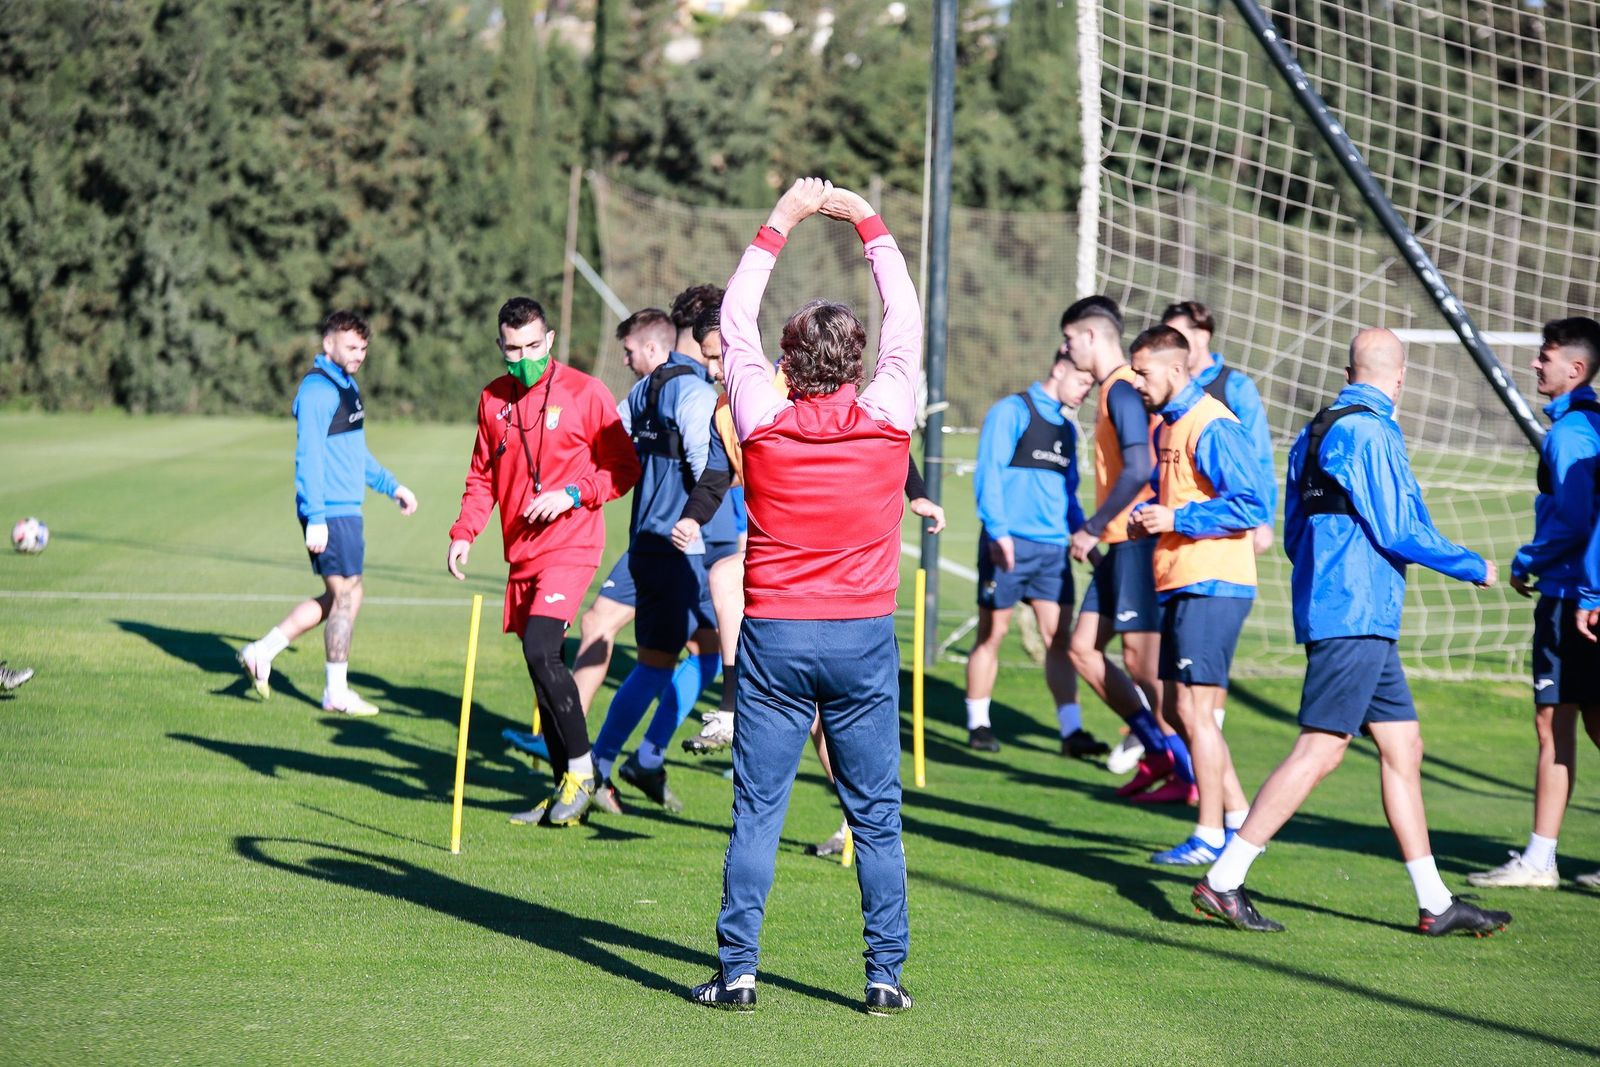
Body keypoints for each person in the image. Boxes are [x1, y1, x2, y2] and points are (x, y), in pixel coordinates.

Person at [1193, 327, 1511, 936]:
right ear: (1399, 378)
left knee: (1403, 746)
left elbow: (1292, 535)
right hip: (1356, 614)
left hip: (1342, 610)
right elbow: (1398, 528)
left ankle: (1436, 902)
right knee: (1323, 749)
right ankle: (1224, 879)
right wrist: (1474, 565)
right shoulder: (1372, 431)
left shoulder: (1312, 433)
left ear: (1347, 371)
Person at [691, 178, 918, 1015]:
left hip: (777, 638)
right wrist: (866, 218)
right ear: (856, 363)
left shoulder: (758, 412)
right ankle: (884, 976)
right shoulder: (890, 408)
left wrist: (781, 219)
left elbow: (733, 319)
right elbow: (906, 315)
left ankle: (739, 971)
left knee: (758, 812)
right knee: (878, 817)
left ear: (788, 365)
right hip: (861, 638)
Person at [678, 305, 945, 858]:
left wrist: (915, 492)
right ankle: (855, 820)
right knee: (824, 720)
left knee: (727, 575)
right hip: (782, 552)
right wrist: (692, 517)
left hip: (819, 550)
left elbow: (885, 442)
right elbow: (715, 477)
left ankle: (731, 704)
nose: (713, 368)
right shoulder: (729, 411)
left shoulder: (783, 393)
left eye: (717, 357)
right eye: (708, 360)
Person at [446, 297, 640, 827]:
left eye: (534, 346)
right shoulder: (493, 400)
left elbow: (623, 469)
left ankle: (582, 771)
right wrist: (465, 532)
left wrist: (573, 494)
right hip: (522, 554)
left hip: (573, 543)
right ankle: (567, 789)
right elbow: (482, 475)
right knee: (541, 671)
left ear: (550, 340)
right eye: (514, 349)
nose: (525, 357)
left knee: (540, 648)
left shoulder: (586, 392)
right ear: (500, 347)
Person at [1126, 324, 1268, 865]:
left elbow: (1251, 505)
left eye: (1143, 372)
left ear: (1176, 370)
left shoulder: (1211, 423)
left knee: (1193, 708)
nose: (1137, 382)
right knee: (1178, 707)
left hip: (1214, 580)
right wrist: (1155, 523)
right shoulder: (1172, 424)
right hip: (1183, 576)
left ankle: (1212, 834)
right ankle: (1238, 819)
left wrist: (1177, 517)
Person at [1468, 317, 1600, 890]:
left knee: (1553, 724)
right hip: (1580, 593)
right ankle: (1541, 857)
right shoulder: (1588, 424)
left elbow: (1575, 519)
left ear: (1575, 368)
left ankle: (1540, 860)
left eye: (1544, 357)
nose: (1534, 365)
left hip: (1573, 598)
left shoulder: (1573, 433)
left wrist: (1528, 560)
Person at [238, 310, 417, 715]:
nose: (359, 355)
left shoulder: (346, 386)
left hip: (346, 510)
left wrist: (392, 486)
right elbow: (309, 457)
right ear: (328, 343)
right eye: (351, 347)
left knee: (344, 595)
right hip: (330, 512)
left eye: (363, 348)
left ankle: (261, 651)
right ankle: (335, 692)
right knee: (346, 597)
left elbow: (355, 454)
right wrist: (315, 516)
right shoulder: (319, 391)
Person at [588, 308, 723, 813]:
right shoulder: (693, 394)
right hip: (682, 548)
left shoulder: (644, 391)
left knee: (710, 651)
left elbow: (609, 444)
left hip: (658, 543)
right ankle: (596, 767)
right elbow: (706, 469)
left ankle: (645, 756)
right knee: (655, 663)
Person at [1060, 298, 1192, 800]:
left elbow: (1140, 468)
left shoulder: (1120, 389)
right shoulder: (1113, 390)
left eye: (1070, 338)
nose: (1065, 347)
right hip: (1120, 543)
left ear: (1091, 337)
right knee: (1082, 651)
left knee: (1142, 664)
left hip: (1135, 540)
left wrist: (1092, 525)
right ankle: (1156, 750)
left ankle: (1190, 772)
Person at [965, 348, 1105, 757]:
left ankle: (1071, 732)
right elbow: (988, 472)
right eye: (1082, 382)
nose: (1085, 392)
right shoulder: (1012, 411)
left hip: (1052, 551)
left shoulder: (1066, 427)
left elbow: (1070, 497)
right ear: (1060, 368)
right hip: (1008, 544)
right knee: (993, 634)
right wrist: (998, 531)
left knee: (1058, 638)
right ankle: (978, 724)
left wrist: (1087, 540)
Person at [1161, 300, 1277, 742]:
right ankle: (1182, 740)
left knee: (1208, 655)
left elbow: (1259, 455)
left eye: (1178, 334)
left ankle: (1209, 748)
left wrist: (1262, 519)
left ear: (1202, 335)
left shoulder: (1234, 388)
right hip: (1173, 546)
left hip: (1220, 540)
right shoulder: (1168, 391)